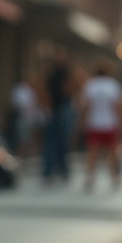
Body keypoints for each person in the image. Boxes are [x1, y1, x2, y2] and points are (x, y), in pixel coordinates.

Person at [78, 59, 122, 192]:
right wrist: (120, 122)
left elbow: (86, 105)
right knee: (112, 151)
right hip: (110, 123)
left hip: (94, 123)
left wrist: (83, 121)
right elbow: (118, 106)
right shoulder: (113, 85)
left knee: (93, 152)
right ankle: (115, 176)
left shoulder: (91, 85)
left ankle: (90, 177)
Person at [42, 49, 77, 184]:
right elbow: (46, 91)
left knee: (59, 141)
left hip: (61, 108)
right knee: (55, 140)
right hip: (57, 109)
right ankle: (53, 169)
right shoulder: (53, 75)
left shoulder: (65, 74)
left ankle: (59, 168)